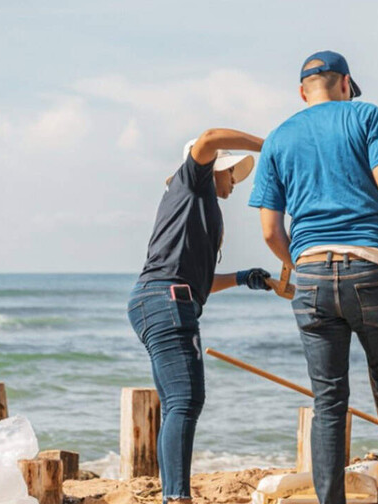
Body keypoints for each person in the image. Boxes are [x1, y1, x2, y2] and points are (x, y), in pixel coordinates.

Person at [249, 50, 378, 504]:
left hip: (310, 273)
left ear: (301, 92)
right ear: (346, 84)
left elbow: (272, 231)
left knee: (328, 400)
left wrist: (299, 267)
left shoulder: (277, 138)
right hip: (371, 267)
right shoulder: (365, 116)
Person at [127, 129, 269, 504]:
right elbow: (208, 138)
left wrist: (243, 278)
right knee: (186, 400)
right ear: (211, 169)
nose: (235, 179)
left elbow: (199, 285)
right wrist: (265, 144)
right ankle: (176, 498)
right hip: (166, 299)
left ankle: (173, 495)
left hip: (164, 298)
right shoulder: (193, 184)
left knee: (179, 402)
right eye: (231, 171)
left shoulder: (198, 206)